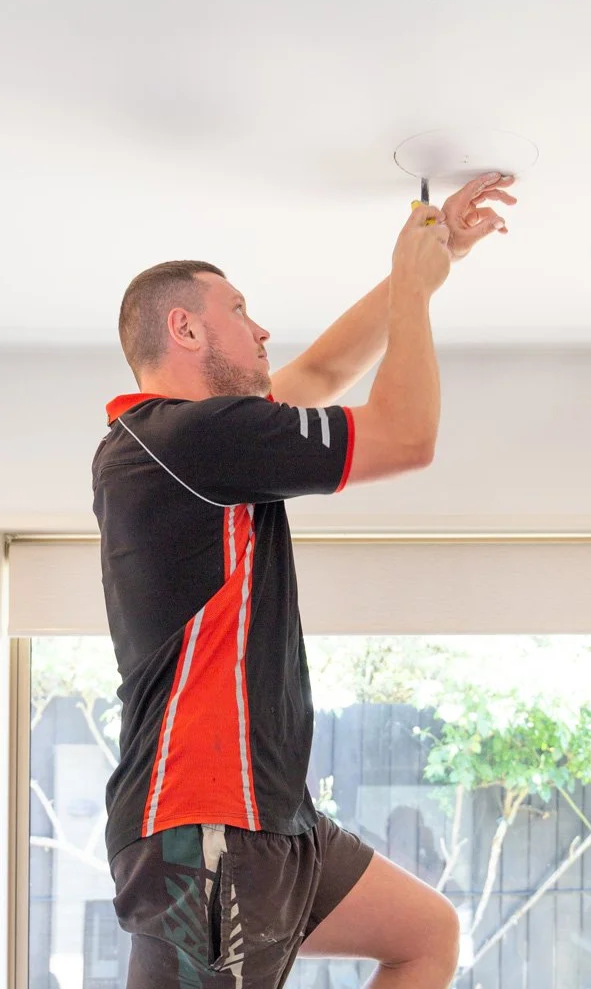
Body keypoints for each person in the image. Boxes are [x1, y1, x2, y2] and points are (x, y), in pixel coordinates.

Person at [92, 171, 516, 989]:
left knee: (424, 933)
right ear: (183, 327)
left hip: (271, 816)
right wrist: (416, 296)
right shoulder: (181, 439)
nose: (262, 329)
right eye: (239, 310)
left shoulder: (198, 443)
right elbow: (404, 434)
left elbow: (318, 375)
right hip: (205, 818)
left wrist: (432, 262)